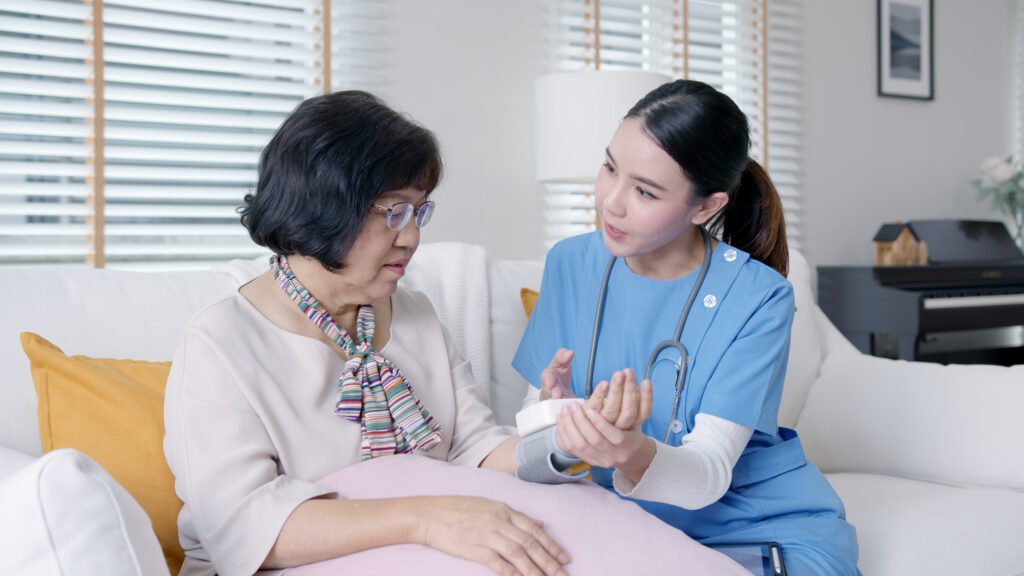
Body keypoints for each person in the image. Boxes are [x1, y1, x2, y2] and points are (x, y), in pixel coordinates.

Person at [163, 91, 570, 576]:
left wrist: (564, 439)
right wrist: (425, 518)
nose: (413, 237)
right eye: (394, 212)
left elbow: (473, 449)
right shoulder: (221, 341)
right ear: (324, 206)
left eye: (419, 212)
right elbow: (242, 526)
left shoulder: (412, 313)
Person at [512, 79, 861, 575]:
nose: (611, 202)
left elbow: (710, 473)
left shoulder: (759, 296)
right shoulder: (570, 264)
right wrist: (556, 424)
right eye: (610, 167)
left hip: (753, 526)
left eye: (645, 191)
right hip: (617, 524)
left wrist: (629, 452)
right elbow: (526, 460)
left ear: (705, 206)